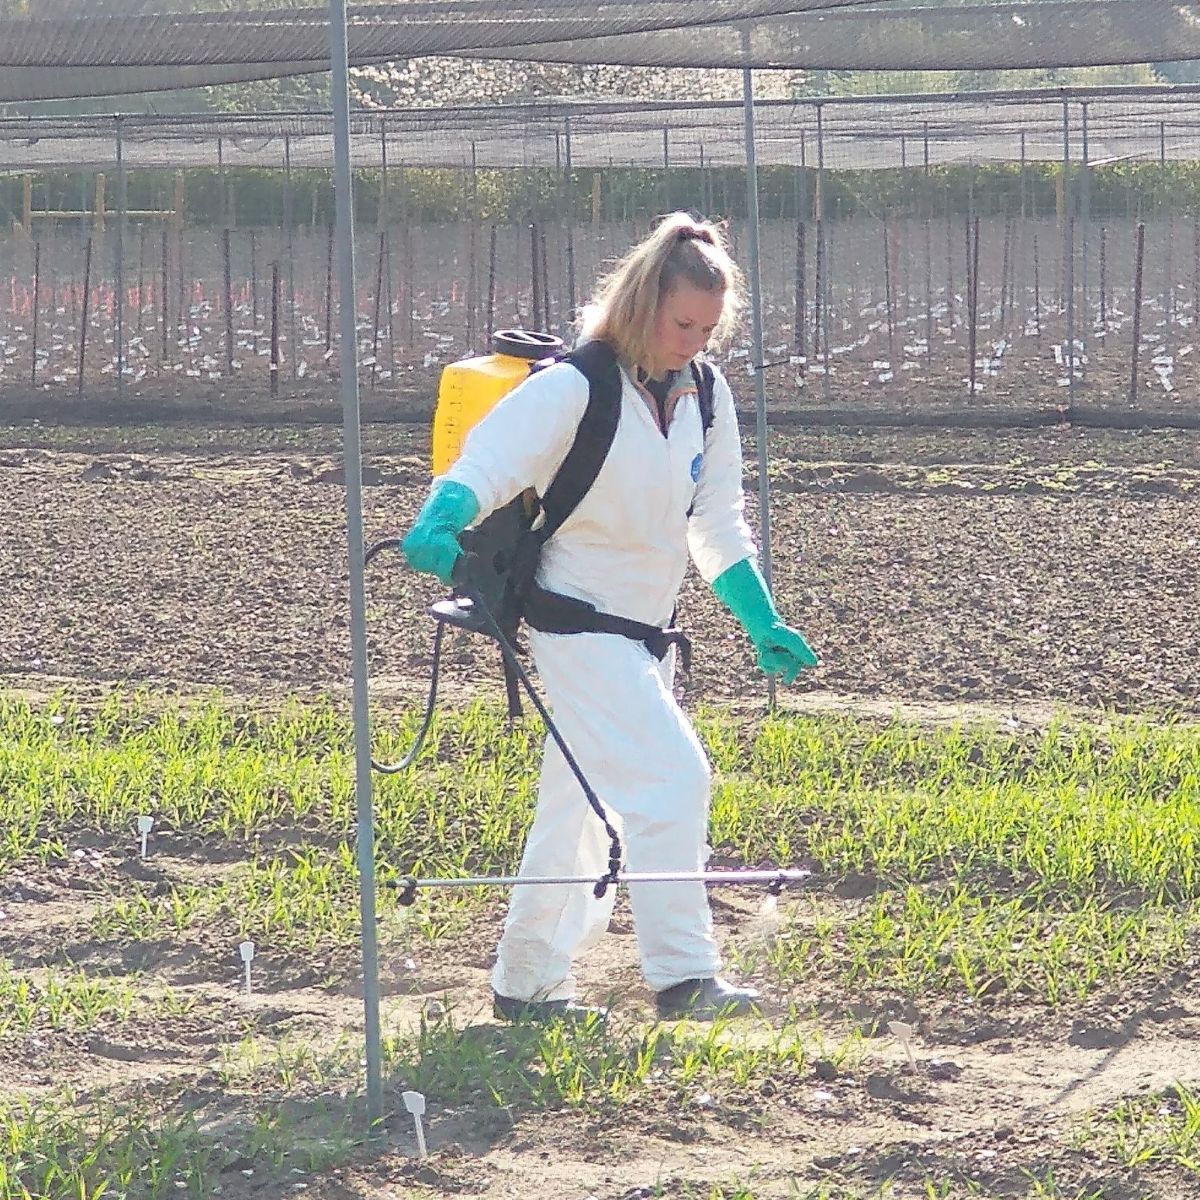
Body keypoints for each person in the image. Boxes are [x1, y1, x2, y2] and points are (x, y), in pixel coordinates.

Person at [401, 212, 819, 1022]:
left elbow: (717, 521)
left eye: (707, 328)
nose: (693, 342)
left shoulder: (705, 395)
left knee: (579, 811)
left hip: (644, 637)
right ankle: (684, 977)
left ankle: (523, 987)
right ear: (641, 305)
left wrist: (760, 618)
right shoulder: (575, 386)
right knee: (674, 776)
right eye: (680, 324)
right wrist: (439, 520)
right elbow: (487, 461)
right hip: (575, 628)